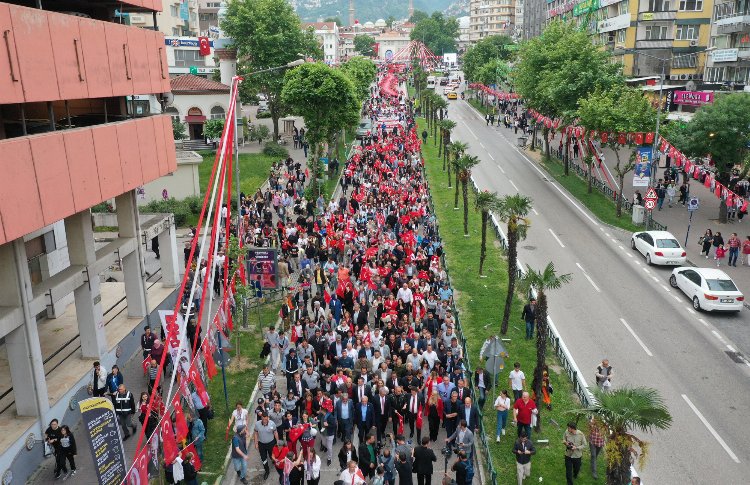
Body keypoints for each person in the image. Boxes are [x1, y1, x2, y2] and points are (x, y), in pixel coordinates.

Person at [254, 412, 279, 480]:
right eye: (263, 419)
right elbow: (255, 433)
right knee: (263, 458)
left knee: (272, 455)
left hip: (271, 443)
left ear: (268, 418)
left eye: (266, 419)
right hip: (261, 444)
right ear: (261, 418)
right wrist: (256, 443)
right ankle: (267, 471)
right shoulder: (257, 424)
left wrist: (278, 442)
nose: (264, 420)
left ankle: (273, 460)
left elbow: (275, 432)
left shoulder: (272, 423)